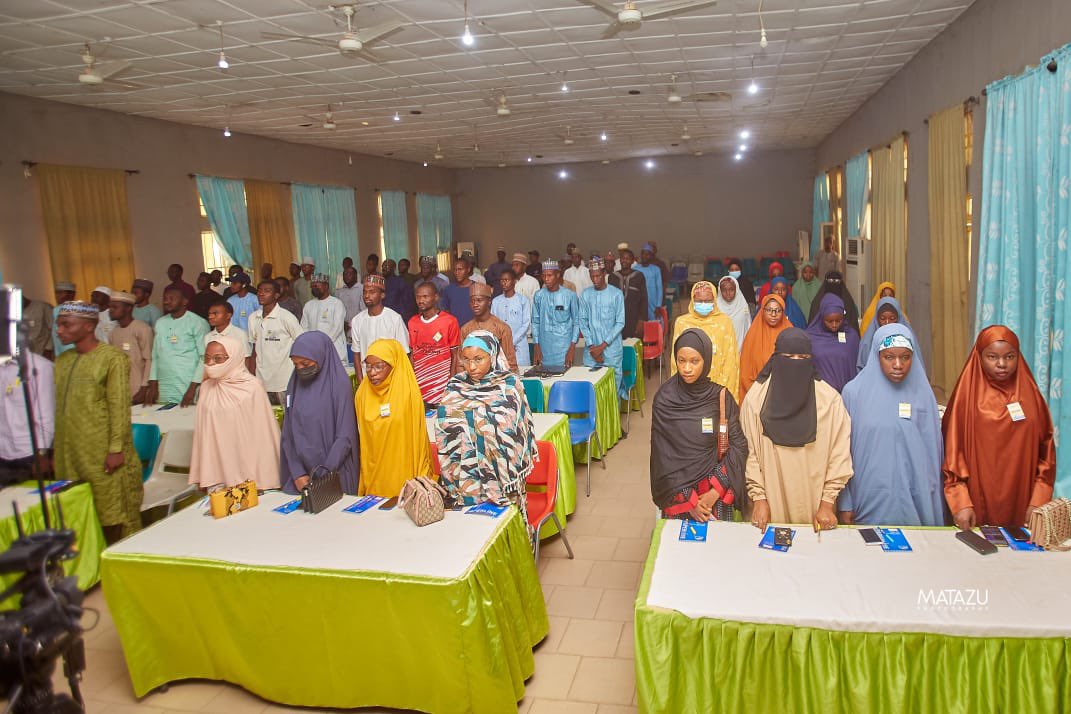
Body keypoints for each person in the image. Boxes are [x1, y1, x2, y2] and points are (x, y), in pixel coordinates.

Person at [942, 326, 1055, 529]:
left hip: (1023, 501)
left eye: (1010, 357)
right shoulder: (965, 398)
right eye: (992, 357)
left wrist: (1039, 499)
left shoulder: (1031, 395)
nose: (1002, 364)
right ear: (979, 357)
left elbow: (1046, 452)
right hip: (976, 501)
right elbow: (951, 454)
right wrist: (960, 502)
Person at [743, 328, 853, 531]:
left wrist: (827, 503)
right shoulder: (756, 400)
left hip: (816, 507)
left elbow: (839, 455)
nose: (795, 362)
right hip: (771, 504)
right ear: (776, 359)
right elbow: (750, 454)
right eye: (788, 357)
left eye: (802, 357)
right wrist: (758, 498)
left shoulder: (829, 402)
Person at [53, 301, 143, 543]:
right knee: (75, 513)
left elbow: (119, 407)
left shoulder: (111, 358)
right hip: (70, 453)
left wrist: (116, 449)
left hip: (103, 453)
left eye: (66, 325)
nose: (59, 330)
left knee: (112, 513)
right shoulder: (62, 362)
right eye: (58, 325)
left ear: (88, 326)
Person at [839, 324, 944, 526]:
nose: (898, 364)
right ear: (876, 356)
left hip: (917, 498)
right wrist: (845, 502)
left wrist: (933, 497)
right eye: (889, 357)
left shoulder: (924, 395)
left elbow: (934, 452)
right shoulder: (853, 394)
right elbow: (841, 452)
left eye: (905, 357)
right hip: (868, 498)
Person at [436, 331, 537, 519]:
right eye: (465, 359)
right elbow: (443, 425)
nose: (471, 366)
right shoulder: (455, 385)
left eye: (478, 359)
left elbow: (515, 431)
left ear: (493, 355)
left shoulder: (509, 385)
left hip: (501, 480)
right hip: (465, 475)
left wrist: (479, 424)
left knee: (503, 527)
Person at [650, 329, 748, 521]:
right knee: (680, 549)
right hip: (678, 495)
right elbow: (662, 457)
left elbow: (739, 446)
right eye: (681, 360)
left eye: (695, 361)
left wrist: (714, 493)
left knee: (717, 549)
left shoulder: (720, 397)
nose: (687, 368)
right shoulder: (664, 399)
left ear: (706, 361)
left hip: (714, 492)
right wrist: (691, 502)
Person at [189, 335, 280, 491]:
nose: (210, 364)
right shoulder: (206, 387)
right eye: (207, 358)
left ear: (234, 358)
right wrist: (202, 471)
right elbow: (202, 435)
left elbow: (263, 438)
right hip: (217, 472)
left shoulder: (252, 388)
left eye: (218, 359)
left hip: (248, 472)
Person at [280, 332, 360, 495]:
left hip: (334, 474)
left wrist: (323, 475)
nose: (300, 369)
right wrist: (298, 473)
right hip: (301, 477)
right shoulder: (294, 384)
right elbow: (287, 432)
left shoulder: (338, 384)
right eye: (296, 365)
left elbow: (345, 436)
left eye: (305, 363)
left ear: (322, 356)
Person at [354, 338, 431, 496]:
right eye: (368, 366)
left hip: (402, 468)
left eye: (378, 366)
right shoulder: (362, 393)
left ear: (394, 365)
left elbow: (417, 439)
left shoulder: (406, 392)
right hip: (374, 470)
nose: (372, 372)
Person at [670, 281, 740, 401]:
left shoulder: (724, 322)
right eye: (699, 301)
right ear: (692, 300)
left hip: (718, 382)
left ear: (714, 301)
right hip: (689, 382)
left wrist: (724, 387)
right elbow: (675, 358)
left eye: (707, 301)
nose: (703, 304)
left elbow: (731, 358)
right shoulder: (682, 322)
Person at [148, 286, 209, 407]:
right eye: (165, 298)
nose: (166, 301)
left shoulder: (197, 323)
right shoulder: (160, 323)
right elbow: (155, 356)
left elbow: (204, 358)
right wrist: (153, 386)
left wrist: (193, 388)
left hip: (188, 384)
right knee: (165, 422)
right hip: (164, 386)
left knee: (187, 422)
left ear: (185, 301)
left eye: (171, 298)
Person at [0, 350, 53, 487]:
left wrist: (41, 454)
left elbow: (46, 417)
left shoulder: (39, 366)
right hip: (3, 453)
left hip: (30, 454)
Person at [248, 279, 304, 406]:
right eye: (260, 291)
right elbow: (254, 350)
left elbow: (301, 342)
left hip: (284, 380)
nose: (261, 294)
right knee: (266, 420)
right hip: (261, 380)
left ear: (276, 295)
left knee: (288, 418)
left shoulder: (286, 317)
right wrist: (251, 377)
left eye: (266, 291)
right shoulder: (253, 318)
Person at [579, 256, 626, 398]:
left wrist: (602, 346)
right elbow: (583, 321)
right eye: (592, 276)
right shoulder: (585, 294)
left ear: (604, 273)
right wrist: (592, 346)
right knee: (591, 391)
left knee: (612, 391)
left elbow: (620, 323)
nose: (595, 280)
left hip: (611, 351)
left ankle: (612, 420)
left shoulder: (616, 294)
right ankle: (595, 421)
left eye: (598, 276)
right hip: (591, 352)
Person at [409, 282, 461, 406]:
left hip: (442, 384)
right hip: (420, 383)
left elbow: (455, 355)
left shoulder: (450, 321)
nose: (420, 300)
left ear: (436, 297)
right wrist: (411, 381)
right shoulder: (412, 322)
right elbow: (412, 354)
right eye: (418, 297)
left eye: (425, 296)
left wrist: (451, 382)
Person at [350, 275, 409, 382]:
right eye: (364, 292)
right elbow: (356, 353)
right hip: (368, 380)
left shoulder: (394, 319)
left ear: (382, 295)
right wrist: (360, 381)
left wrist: (399, 382)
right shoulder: (357, 321)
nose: (367, 296)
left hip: (391, 381)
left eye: (372, 292)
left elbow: (404, 354)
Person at [805, 293, 861, 393]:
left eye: (838, 320)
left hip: (846, 394)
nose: (834, 325)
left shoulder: (851, 337)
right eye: (829, 321)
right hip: (820, 395)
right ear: (821, 318)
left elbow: (855, 366)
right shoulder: (810, 337)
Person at [739, 294, 792, 396]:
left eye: (778, 310)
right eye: (769, 310)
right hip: (756, 393)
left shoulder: (790, 333)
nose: (773, 314)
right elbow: (745, 371)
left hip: (785, 393)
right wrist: (756, 394)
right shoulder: (752, 335)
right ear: (762, 311)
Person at [459, 283, 518, 372]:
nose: (475, 304)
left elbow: (511, 363)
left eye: (479, 300)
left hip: (496, 380)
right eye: (472, 301)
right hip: (472, 382)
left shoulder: (502, 328)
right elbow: (461, 363)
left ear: (489, 301)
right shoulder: (465, 329)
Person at [532, 260, 580, 368]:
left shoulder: (570, 295)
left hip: (564, 348)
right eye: (543, 275)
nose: (546, 279)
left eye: (549, 275)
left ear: (557, 275)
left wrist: (572, 347)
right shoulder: (539, 295)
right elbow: (535, 322)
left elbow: (577, 322)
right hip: (544, 348)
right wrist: (536, 346)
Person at [107, 291, 153, 403]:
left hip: (139, 389)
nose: (110, 310)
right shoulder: (113, 333)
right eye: (110, 307)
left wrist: (144, 388)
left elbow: (149, 360)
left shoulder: (142, 329)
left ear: (128, 308)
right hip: (121, 389)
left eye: (115, 307)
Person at [857, 297, 918, 371]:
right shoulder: (868, 341)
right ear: (877, 319)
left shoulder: (907, 338)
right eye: (882, 318)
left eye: (892, 318)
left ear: (898, 318)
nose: (887, 322)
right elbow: (862, 367)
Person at [299, 273, 347, 364]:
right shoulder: (308, 305)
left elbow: (337, 328)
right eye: (312, 286)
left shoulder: (336, 304)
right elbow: (304, 328)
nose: (314, 288)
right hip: (314, 352)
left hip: (334, 351)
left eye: (316, 285)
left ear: (326, 286)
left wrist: (322, 344)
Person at [492, 269, 532, 368]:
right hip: (501, 347)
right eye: (501, 280)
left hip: (519, 346)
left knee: (522, 374)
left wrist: (511, 342)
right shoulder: (496, 301)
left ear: (514, 281)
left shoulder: (523, 300)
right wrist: (502, 343)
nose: (503, 283)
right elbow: (493, 323)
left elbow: (526, 324)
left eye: (507, 280)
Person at [609, 248, 649, 339]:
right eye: (622, 258)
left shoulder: (639, 276)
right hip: (616, 319)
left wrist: (641, 321)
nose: (624, 261)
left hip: (633, 319)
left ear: (632, 261)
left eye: (627, 258)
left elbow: (644, 299)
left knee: (633, 348)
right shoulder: (612, 277)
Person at [335, 265, 365, 357]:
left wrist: (351, 324)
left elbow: (364, 310)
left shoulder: (362, 289)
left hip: (358, 327)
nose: (346, 276)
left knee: (360, 353)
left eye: (349, 274)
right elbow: (336, 311)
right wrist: (341, 323)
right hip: (342, 329)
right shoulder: (339, 292)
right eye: (345, 274)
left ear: (355, 276)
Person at [716, 275, 750, 351]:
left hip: (740, 349)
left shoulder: (743, 306)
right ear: (720, 291)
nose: (728, 293)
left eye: (731, 290)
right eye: (724, 290)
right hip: (721, 350)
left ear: (737, 290)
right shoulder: (716, 308)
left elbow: (747, 328)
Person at [440, 257, 477, 326]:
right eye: (455, 270)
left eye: (460, 269)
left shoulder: (477, 288)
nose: (457, 272)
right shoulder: (448, 289)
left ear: (468, 269)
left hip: (473, 331)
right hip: (455, 331)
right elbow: (446, 311)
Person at [636, 244, 663, 320]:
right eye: (643, 254)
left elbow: (659, 288)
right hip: (639, 301)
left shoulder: (656, 269)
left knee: (654, 323)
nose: (645, 256)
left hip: (652, 302)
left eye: (647, 254)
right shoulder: (635, 269)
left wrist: (658, 305)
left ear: (651, 256)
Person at [51, 282, 76, 357]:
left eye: (60, 293)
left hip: (73, 349)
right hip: (60, 350)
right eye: (56, 293)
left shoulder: (77, 309)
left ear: (71, 294)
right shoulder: (56, 309)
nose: (57, 296)